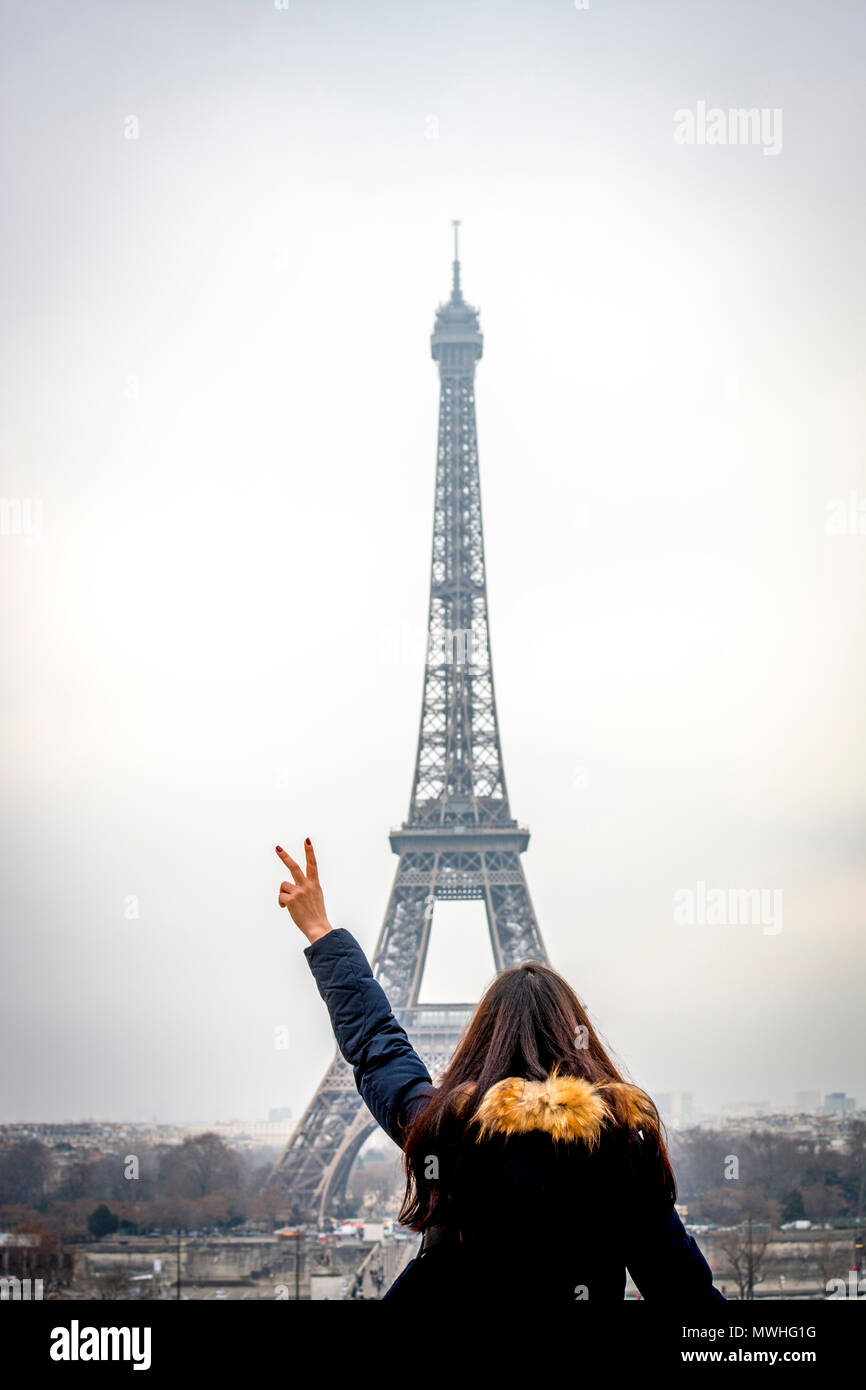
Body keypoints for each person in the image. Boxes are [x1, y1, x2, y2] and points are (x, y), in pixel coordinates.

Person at [275, 838, 724, 1306]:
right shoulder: (622, 1148)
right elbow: (685, 1294)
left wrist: (322, 933)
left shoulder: (450, 1133)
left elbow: (377, 1049)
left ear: (483, 1040)